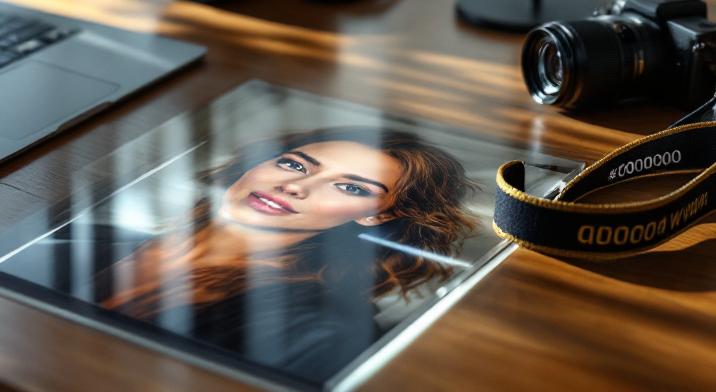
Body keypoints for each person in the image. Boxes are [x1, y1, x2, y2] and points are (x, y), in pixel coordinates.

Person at [69, 127, 478, 383]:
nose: (295, 186)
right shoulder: (91, 237)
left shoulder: (322, 327)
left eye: (352, 188)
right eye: (295, 164)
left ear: (376, 217)